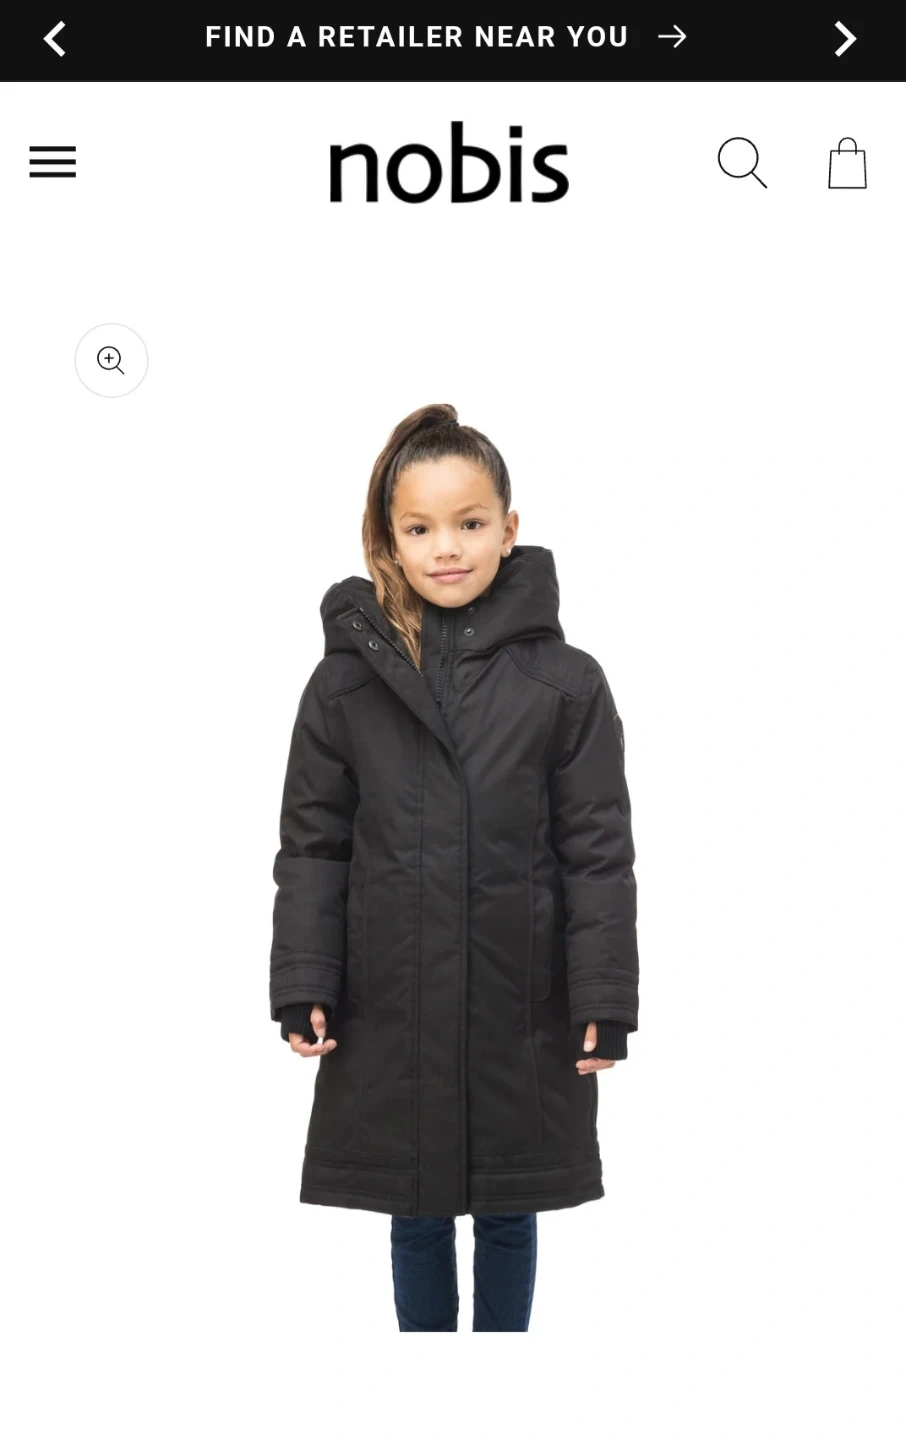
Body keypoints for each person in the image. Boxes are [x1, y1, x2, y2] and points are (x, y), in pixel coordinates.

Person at [269, 402, 639, 1331]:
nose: (446, 548)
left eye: (470, 523)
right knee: (416, 1209)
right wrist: (306, 979)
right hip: (391, 996)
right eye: (420, 528)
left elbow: (598, 852)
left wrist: (602, 995)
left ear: (509, 530)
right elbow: (313, 846)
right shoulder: (345, 684)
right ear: (389, 541)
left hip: (523, 996)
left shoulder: (567, 685)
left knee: (511, 1207)